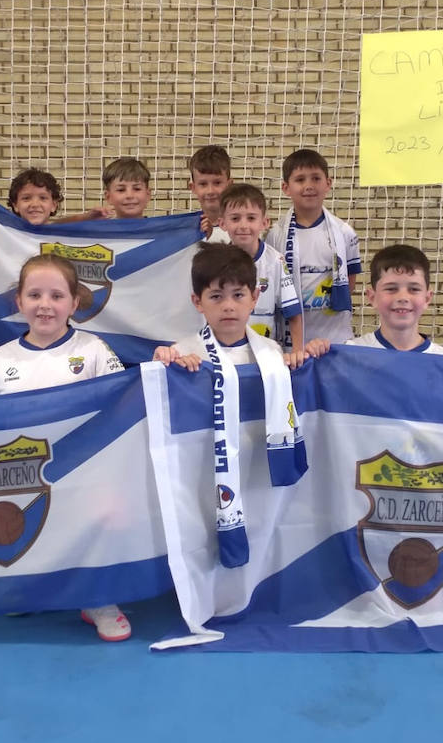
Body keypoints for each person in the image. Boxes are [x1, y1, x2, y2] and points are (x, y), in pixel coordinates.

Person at [0, 255, 129, 640]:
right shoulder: (2, 358)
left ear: (74, 304)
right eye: (35, 294)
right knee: (18, 524)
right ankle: (30, 587)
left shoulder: (94, 350)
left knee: (101, 519)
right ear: (18, 301)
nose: (46, 304)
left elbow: (120, 406)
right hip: (22, 471)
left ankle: (98, 598)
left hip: (83, 470)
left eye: (57, 295)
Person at [153, 243, 306, 569]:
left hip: (257, 469)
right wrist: (164, 365)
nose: (228, 306)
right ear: (197, 302)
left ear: (255, 297)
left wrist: (307, 360)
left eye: (238, 295)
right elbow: (159, 407)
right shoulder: (184, 353)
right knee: (205, 542)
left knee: (260, 533)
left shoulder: (272, 353)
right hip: (206, 470)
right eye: (216, 297)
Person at [263, 148, 362, 347]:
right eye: (300, 180)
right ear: (286, 188)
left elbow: (349, 283)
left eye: (316, 178)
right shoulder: (275, 235)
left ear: (328, 183)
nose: (309, 186)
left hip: (334, 338)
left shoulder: (344, 233)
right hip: (291, 342)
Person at [304, 245, 443, 357]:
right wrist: (316, 355)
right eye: (391, 289)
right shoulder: (352, 353)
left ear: (427, 298)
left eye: (414, 289)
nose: (403, 297)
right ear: (372, 297)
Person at [215, 183, 301, 347]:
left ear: (265, 222)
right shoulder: (215, 263)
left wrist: (298, 352)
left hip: (266, 355)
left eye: (251, 218)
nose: (243, 225)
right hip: (226, 353)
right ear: (222, 223)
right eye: (235, 218)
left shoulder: (276, 262)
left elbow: (294, 314)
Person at [187, 144, 231, 239]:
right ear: (193, 187)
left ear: (229, 185)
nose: (210, 191)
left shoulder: (243, 230)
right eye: (203, 184)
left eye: (217, 183)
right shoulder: (185, 232)